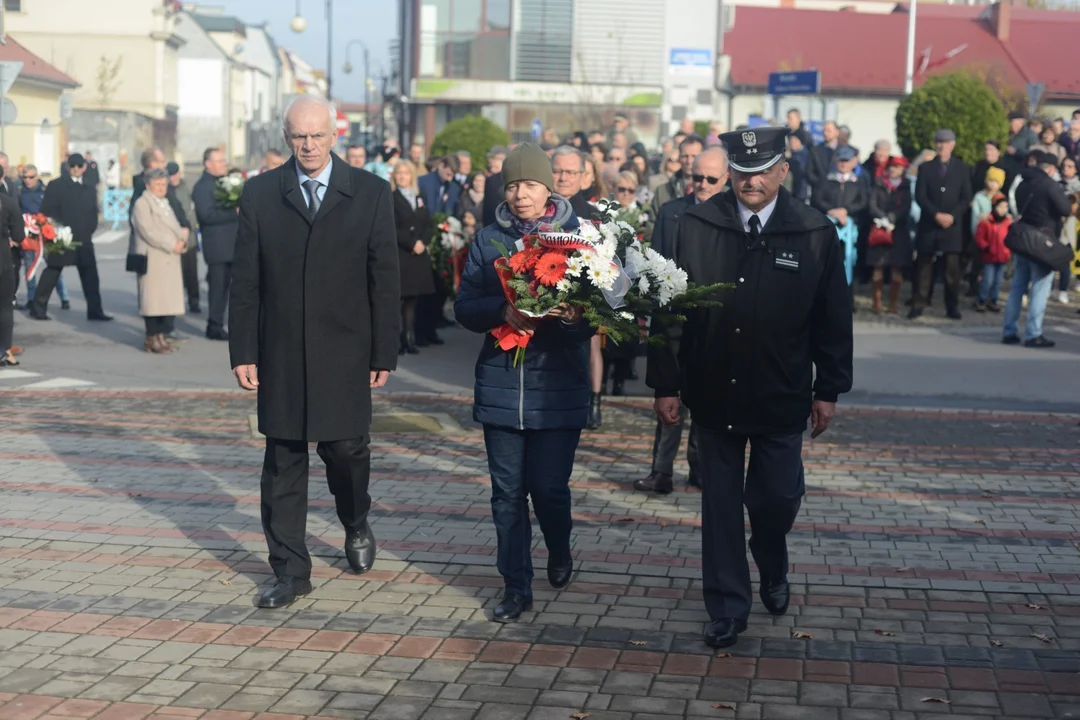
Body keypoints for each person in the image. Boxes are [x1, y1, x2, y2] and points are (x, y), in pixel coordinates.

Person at [648, 126, 853, 649]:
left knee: (776, 499)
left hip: (781, 391)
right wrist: (666, 383)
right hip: (713, 388)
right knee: (718, 505)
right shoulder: (695, 224)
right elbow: (670, 310)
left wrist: (828, 388)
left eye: (762, 170)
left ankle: (772, 556)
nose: (750, 180)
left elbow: (833, 318)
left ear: (783, 171)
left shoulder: (812, 230)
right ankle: (727, 607)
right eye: (741, 170)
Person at [229, 94, 400, 609]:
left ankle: (355, 520)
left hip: (346, 350)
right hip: (280, 353)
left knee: (346, 451)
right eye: (299, 136)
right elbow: (245, 282)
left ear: (334, 136)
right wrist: (243, 351)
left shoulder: (370, 193)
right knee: (282, 461)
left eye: (317, 135)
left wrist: (383, 353)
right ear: (286, 137)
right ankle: (290, 571)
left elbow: (384, 280)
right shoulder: (260, 194)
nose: (308, 145)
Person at [454, 143, 592, 623]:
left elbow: (605, 313)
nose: (520, 194)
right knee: (507, 493)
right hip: (501, 384)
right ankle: (516, 585)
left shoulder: (579, 238)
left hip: (559, 383)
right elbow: (464, 306)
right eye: (512, 185)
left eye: (530, 184)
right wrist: (502, 311)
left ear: (547, 187)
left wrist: (577, 315)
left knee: (549, 489)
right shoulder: (488, 240)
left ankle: (558, 548)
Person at [634, 147, 728, 494]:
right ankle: (661, 470)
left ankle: (701, 467)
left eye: (710, 179)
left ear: (727, 179)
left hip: (715, 321)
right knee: (668, 396)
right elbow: (657, 267)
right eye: (696, 177)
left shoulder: (734, 215)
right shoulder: (672, 212)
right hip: (674, 316)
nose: (702, 184)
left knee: (707, 398)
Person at [1002, 151, 1072, 348]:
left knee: (1017, 286)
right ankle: (1033, 334)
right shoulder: (1050, 185)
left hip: (1023, 238)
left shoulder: (1023, 182)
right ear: (1050, 169)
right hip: (1043, 241)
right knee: (1040, 287)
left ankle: (1009, 330)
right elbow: (1065, 209)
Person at [31, 154, 109, 322]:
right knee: (52, 270)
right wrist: (55, 231)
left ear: (84, 167)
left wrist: (89, 230)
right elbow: (47, 211)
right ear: (68, 166)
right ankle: (38, 308)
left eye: (79, 165)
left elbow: (93, 213)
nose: (76, 168)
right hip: (62, 237)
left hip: (84, 238)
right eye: (73, 165)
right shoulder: (56, 185)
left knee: (90, 275)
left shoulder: (89, 187)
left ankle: (95, 311)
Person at [909, 130, 973, 320]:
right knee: (923, 267)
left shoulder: (962, 168)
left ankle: (952, 306)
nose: (942, 146)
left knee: (952, 271)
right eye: (938, 143)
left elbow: (966, 197)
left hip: (952, 227)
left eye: (945, 143)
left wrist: (952, 216)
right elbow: (921, 196)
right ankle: (918, 303)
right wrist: (936, 214)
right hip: (930, 224)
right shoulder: (925, 168)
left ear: (952, 145)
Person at [130, 168, 188, 354]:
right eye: (158, 185)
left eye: (164, 184)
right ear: (148, 185)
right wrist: (172, 244)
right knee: (152, 302)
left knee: (165, 302)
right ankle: (151, 338)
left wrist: (182, 239)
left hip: (168, 259)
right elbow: (149, 231)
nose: (162, 188)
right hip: (153, 258)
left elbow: (175, 225)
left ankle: (161, 337)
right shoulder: (142, 204)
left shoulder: (164, 202)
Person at [390, 160, 435, 354]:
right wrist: (411, 243)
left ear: (411, 176)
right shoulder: (390, 197)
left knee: (412, 300)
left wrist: (423, 242)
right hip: (402, 254)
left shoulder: (419, 197)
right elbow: (391, 225)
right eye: (398, 173)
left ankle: (409, 337)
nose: (402, 176)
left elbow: (428, 223)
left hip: (418, 256)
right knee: (398, 300)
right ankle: (396, 340)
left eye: (405, 173)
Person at [192, 148, 238, 341]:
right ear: (207, 164)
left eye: (223, 160)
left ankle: (222, 322)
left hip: (230, 245)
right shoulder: (203, 186)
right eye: (218, 161)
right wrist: (233, 212)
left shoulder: (223, 182)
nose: (223, 164)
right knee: (218, 288)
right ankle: (214, 325)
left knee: (228, 288)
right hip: (217, 246)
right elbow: (206, 215)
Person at [812, 145, 867, 294]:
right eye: (841, 160)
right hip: (827, 227)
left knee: (850, 261)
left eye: (846, 160)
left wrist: (846, 211)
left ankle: (849, 296)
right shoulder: (825, 180)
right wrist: (833, 211)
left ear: (852, 162)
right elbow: (816, 199)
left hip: (851, 229)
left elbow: (863, 202)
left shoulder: (858, 182)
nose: (843, 163)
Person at [17, 166, 69, 311]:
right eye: (25, 177)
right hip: (29, 236)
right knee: (29, 267)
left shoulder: (46, 191)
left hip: (45, 234)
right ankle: (31, 299)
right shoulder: (20, 193)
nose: (28, 180)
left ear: (37, 176)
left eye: (31, 177)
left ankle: (64, 297)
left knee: (53, 267)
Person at [867, 157, 913, 314]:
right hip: (879, 229)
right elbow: (872, 204)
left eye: (898, 167)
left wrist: (892, 218)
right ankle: (877, 302)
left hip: (898, 231)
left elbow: (906, 208)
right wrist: (883, 218)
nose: (894, 170)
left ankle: (893, 303)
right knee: (877, 267)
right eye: (892, 167)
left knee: (896, 269)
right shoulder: (879, 184)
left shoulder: (905, 187)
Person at [168, 162, 200, 314]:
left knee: (191, 273)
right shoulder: (166, 191)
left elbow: (192, 210)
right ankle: (176, 303)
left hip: (190, 238)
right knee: (175, 275)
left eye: (175, 174)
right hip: (174, 239)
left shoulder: (186, 188)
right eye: (170, 175)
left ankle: (194, 301)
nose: (173, 177)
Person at [0, 167, 23, 366]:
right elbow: (19, 235)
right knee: (5, 307)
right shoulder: (8, 203)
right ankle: (6, 350)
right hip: (3, 259)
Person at [973, 193, 1011, 312]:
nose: (1003, 210)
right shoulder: (986, 222)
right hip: (989, 255)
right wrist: (986, 247)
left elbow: (1011, 238)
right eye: (1000, 207)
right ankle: (982, 299)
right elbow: (979, 237)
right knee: (987, 280)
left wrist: (1008, 250)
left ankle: (993, 300)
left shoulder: (1008, 222)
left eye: (1005, 207)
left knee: (998, 281)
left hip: (1003, 256)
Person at [651, 135, 703, 218]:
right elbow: (653, 226)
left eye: (694, 156)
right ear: (679, 158)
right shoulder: (662, 191)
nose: (689, 161)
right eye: (685, 156)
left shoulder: (714, 189)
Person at [551, 146, 591, 219]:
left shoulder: (594, 217)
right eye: (557, 171)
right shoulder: (535, 213)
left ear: (582, 176)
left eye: (570, 172)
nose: (563, 178)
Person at [807, 120, 841, 188]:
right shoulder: (815, 151)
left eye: (829, 131)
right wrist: (820, 184)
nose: (825, 133)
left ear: (837, 132)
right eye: (824, 130)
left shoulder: (845, 150)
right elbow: (809, 172)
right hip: (819, 192)